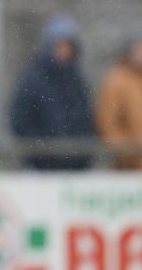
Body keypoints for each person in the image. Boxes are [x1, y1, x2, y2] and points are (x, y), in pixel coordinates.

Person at [9, 14, 94, 170]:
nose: (64, 50)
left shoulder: (77, 80)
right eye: (59, 45)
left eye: (67, 46)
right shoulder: (33, 79)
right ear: (49, 47)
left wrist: (82, 155)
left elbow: (86, 119)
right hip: (41, 168)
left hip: (76, 167)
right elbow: (20, 120)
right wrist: (40, 153)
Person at [95, 30, 142, 169]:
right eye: (138, 49)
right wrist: (128, 151)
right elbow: (107, 123)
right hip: (127, 167)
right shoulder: (116, 81)